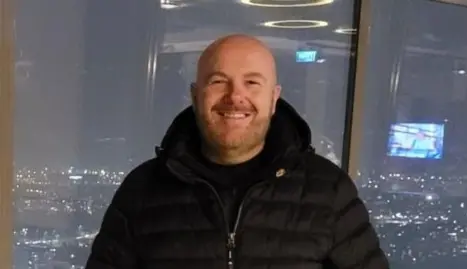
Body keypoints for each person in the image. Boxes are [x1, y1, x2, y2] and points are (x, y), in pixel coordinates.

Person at [85, 34, 389, 269]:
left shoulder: (328, 190)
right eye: (219, 81)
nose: (235, 96)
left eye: (252, 83)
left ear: (273, 98)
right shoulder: (142, 190)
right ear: (195, 95)